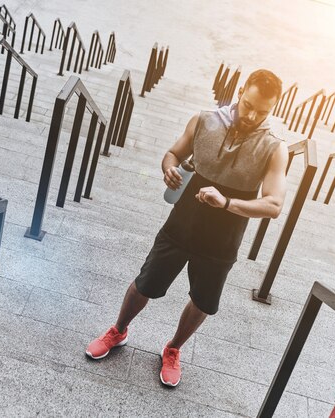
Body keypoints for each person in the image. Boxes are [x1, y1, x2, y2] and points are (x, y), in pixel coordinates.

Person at [85, 69, 289, 387]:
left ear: (274, 108)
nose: (252, 115)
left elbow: (274, 205)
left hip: (223, 240)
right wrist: (168, 169)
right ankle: (118, 330)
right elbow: (173, 153)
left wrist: (226, 203)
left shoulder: (274, 148)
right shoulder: (204, 120)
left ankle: (173, 349)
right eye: (249, 105)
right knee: (144, 284)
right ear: (240, 92)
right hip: (181, 224)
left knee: (203, 301)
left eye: (263, 111)